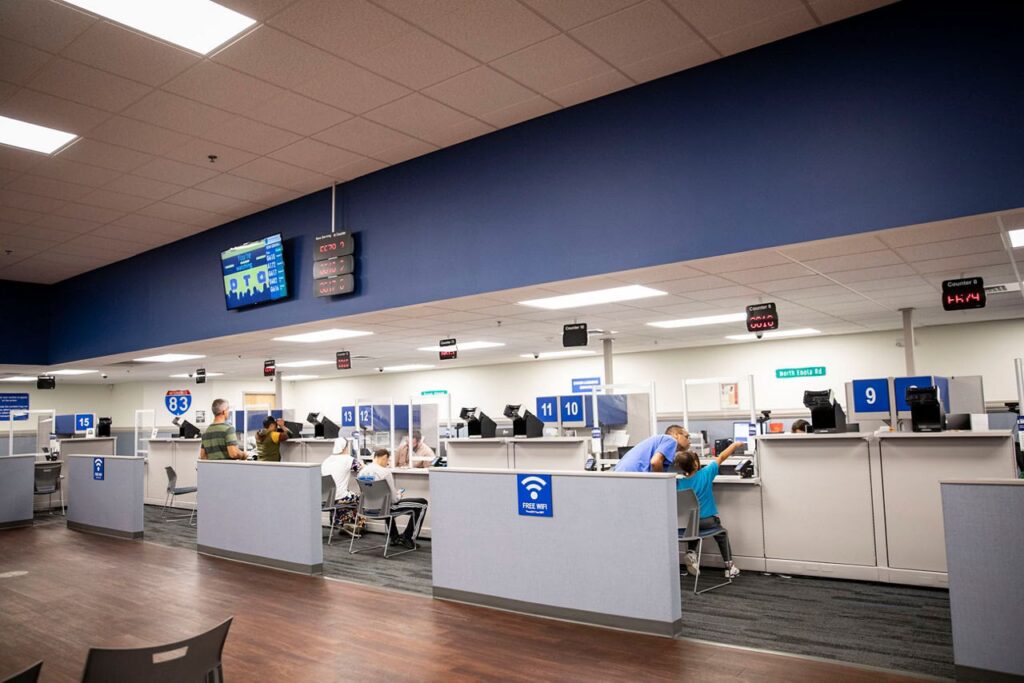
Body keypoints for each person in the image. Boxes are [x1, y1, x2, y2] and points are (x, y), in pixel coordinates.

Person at [675, 440, 745, 579]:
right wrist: (735, 445)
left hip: (689, 524)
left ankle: (691, 552)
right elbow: (722, 456)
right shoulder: (706, 473)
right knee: (722, 534)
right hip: (708, 521)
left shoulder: (678, 483)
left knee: (693, 529)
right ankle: (729, 567)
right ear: (696, 464)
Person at [358, 448, 428, 549]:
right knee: (422, 503)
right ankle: (408, 538)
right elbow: (394, 500)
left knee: (384, 501)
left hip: (366, 510)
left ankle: (394, 537)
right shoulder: (385, 472)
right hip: (384, 511)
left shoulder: (361, 472)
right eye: (388, 460)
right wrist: (399, 495)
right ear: (384, 458)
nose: (387, 463)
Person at [614, 425, 690, 472]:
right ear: (676, 435)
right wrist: (661, 484)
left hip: (621, 473)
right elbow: (655, 462)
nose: (689, 441)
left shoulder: (660, 441)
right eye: (686, 437)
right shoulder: (671, 440)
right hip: (630, 474)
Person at [321, 436, 360, 502]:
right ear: (345, 448)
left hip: (326, 497)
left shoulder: (326, 460)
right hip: (340, 497)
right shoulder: (348, 459)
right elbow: (359, 468)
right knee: (359, 498)